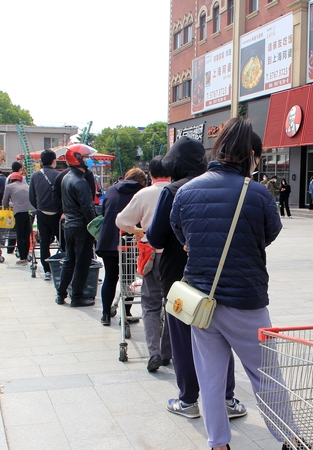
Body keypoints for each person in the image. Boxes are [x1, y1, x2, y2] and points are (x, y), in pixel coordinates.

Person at [170, 118, 282, 450]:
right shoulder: (258, 193)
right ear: (250, 154)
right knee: (266, 377)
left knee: (211, 377)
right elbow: (270, 233)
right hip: (246, 299)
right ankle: (287, 438)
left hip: (201, 302)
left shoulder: (186, 191)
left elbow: (181, 234)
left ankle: (218, 443)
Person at [147, 136, 244, 422]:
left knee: (183, 339)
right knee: (219, 337)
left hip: (180, 278)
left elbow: (156, 237)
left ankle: (188, 400)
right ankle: (226, 399)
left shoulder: (173, 191)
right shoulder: (224, 185)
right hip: (219, 277)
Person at [115, 157, 172, 371]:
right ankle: (167, 351)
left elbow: (121, 220)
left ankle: (154, 352)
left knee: (150, 305)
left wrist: (137, 230)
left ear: (150, 175)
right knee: (172, 305)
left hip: (150, 255)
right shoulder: (180, 190)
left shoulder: (144, 194)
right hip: (174, 257)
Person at [96, 168, 146, 326]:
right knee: (129, 279)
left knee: (110, 277)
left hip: (108, 240)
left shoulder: (111, 190)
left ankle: (105, 314)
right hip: (129, 242)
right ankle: (127, 313)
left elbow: (104, 212)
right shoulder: (141, 193)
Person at [56, 144, 97, 307]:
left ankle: (61, 293)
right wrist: (95, 226)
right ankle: (77, 297)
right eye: (86, 157)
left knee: (69, 260)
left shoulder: (66, 177)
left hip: (70, 225)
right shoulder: (80, 181)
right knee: (82, 263)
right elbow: (87, 207)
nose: (88, 160)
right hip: (81, 226)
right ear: (78, 158)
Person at [30, 150, 62, 280]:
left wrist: (38, 207)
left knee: (44, 242)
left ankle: (47, 270)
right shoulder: (59, 175)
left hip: (41, 212)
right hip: (58, 213)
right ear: (54, 161)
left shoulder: (35, 175)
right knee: (63, 240)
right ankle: (62, 265)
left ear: (41, 161)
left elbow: (31, 196)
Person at [2, 172, 33, 266]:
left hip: (19, 212)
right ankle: (26, 255)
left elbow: (4, 201)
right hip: (31, 212)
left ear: (11, 180)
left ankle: (22, 258)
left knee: (20, 235)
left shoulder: (9, 187)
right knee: (26, 234)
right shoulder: (26, 186)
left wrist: (7, 207)